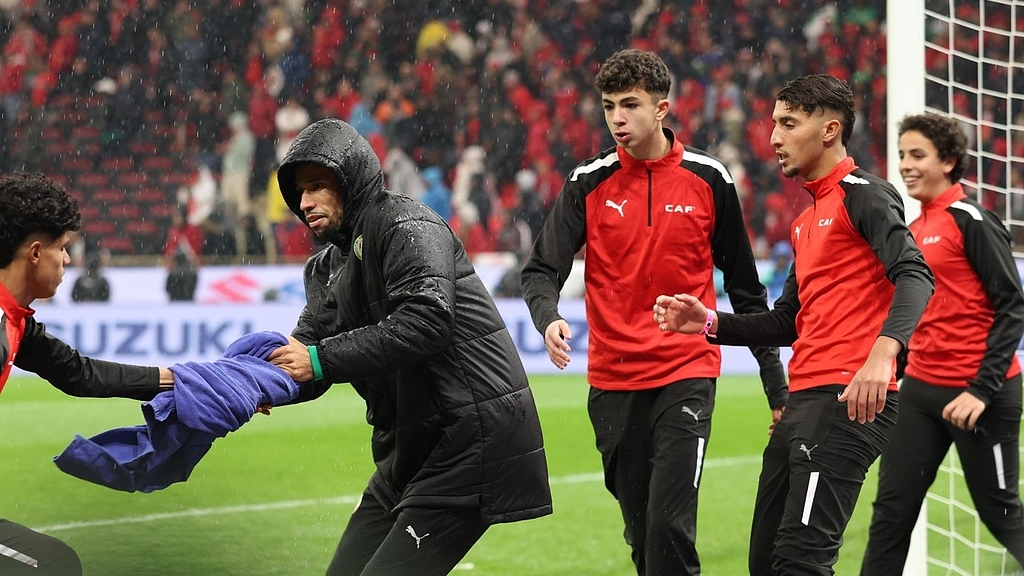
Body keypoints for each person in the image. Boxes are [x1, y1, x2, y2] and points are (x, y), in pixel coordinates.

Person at [652, 74, 936, 575]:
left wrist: (882, 354)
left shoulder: (864, 195)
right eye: (773, 124)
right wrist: (710, 322)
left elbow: (916, 274)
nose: (774, 138)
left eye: (788, 123)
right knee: (766, 562)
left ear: (829, 130)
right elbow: (788, 321)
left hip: (849, 400)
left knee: (801, 563)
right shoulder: (806, 220)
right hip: (804, 403)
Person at [520, 48, 788, 576]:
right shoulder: (587, 184)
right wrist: (547, 315)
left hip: (686, 371)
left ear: (662, 109)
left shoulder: (710, 180)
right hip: (613, 380)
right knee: (643, 537)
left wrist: (775, 388)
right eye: (608, 106)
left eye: (630, 105)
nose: (617, 118)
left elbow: (746, 291)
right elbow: (540, 270)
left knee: (669, 527)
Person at [266, 118, 552, 576]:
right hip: (407, 448)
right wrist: (257, 386)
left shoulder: (405, 222)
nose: (304, 202)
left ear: (350, 179)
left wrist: (315, 360)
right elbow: (307, 355)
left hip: (469, 440)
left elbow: (427, 320)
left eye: (318, 186)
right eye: (299, 192)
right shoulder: (323, 269)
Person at [860, 113, 1024, 573]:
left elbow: (1012, 306)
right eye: (902, 156)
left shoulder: (971, 220)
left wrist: (980, 390)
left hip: (981, 394)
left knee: (1001, 512)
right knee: (890, 514)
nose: (906, 165)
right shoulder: (913, 230)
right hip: (920, 394)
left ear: (949, 160)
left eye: (918, 155)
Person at [0, 172, 174, 575]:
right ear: (35, 252)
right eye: (62, 248)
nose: (68, 260)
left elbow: (81, 373)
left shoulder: (16, 322)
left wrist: (187, 383)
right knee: (52, 565)